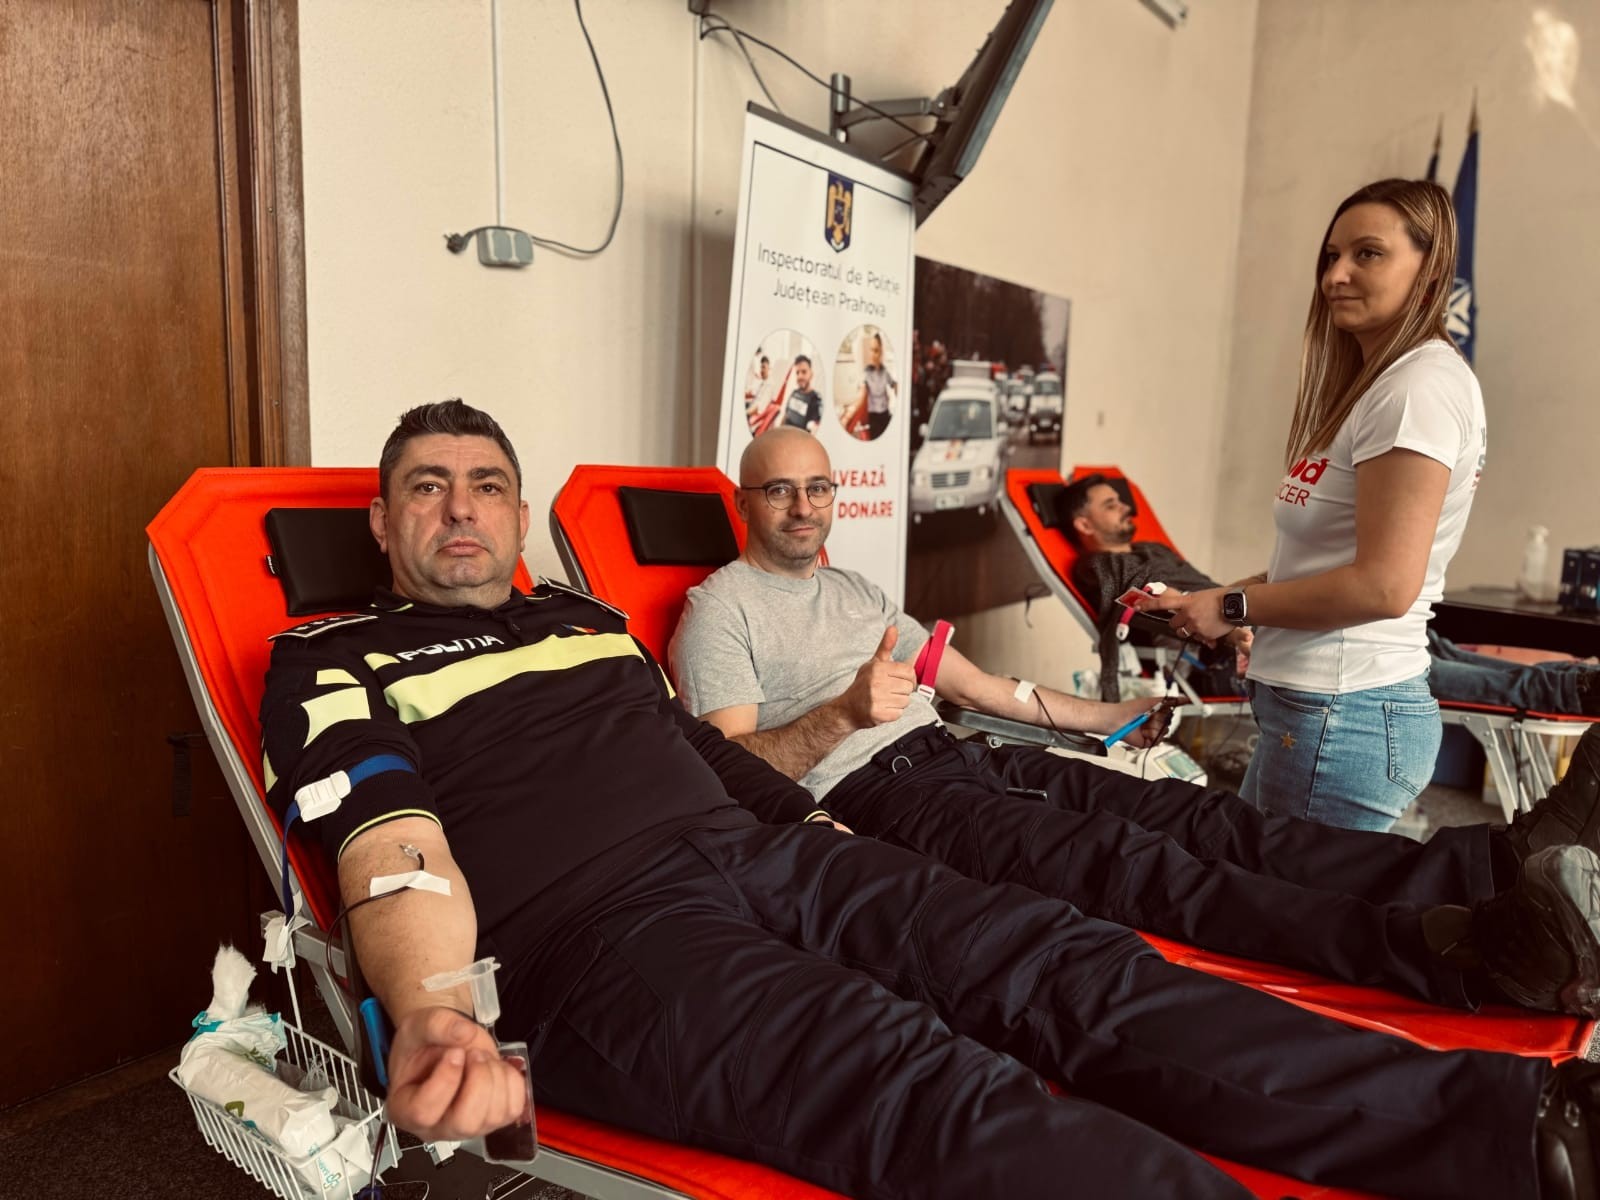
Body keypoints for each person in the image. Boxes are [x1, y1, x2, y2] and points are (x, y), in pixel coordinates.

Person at [263, 400, 1600, 1200]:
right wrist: (431, 1006)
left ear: (515, 515)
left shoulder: (585, 621)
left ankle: (1514, 1135)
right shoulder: (329, 659)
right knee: (914, 1082)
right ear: (382, 525)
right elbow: (390, 845)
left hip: (776, 854)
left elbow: (694, 751)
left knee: (1073, 966)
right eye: (426, 489)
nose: (461, 510)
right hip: (606, 936)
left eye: (486, 485)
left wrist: (816, 833)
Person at [671, 426, 1600, 1015]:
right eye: (779, 491)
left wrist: (1108, 716)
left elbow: (986, 688)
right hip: (884, 802)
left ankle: (1487, 866)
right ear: (745, 502)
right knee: (1144, 868)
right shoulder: (721, 610)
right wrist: (842, 714)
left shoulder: (859, 590)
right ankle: (1462, 958)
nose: (804, 507)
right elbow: (733, 773)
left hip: (967, 753)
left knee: (1206, 821)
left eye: (819, 487)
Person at [1137, 179, 1488, 832]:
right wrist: (1215, 600)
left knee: (1274, 898)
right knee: (1253, 884)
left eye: (1367, 254)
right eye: (1331, 256)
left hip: (1343, 713)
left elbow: (1383, 587)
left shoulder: (1417, 390)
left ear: (1430, 268)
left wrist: (1232, 607)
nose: (1336, 276)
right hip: (1318, 712)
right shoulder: (1383, 387)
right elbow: (1324, 564)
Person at [1064, 472, 1600, 714]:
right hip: (1239, 644)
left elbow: (1214, 591)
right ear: (1084, 524)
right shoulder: (1101, 568)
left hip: (1256, 611)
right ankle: (1568, 690)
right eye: (1111, 505)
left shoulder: (1152, 546)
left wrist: (1265, 588)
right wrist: (1234, 629)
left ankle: (1568, 679)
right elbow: (1151, 612)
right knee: (1423, 670)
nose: (1125, 508)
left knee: (1435, 648)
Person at [843, 329, 895, 440]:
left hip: (886, 415)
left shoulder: (885, 372)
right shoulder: (866, 373)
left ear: (881, 352)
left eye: (876, 350)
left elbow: (895, 386)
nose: (872, 354)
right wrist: (847, 416)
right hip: (874, 417)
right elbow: (861, 397)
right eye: (871, 350)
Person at [779, 354, 822, 431]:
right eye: (797, 373)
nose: (800, 376)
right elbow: (785, 416)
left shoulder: (815, 400)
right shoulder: (794, 393)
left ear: (811, 374)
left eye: (804, 372)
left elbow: (814, 429)